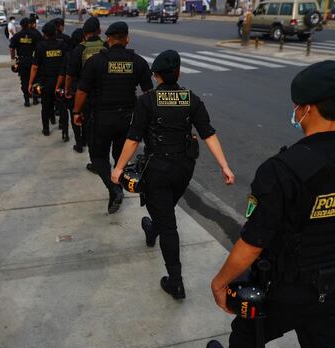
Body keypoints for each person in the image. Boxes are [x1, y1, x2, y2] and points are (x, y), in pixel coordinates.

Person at [206, 61, 335, 348]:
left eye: (297, 104)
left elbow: (252, 244)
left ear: (308, 109)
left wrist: (220, 282)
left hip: (281, 291)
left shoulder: (281, 170)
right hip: (332, 287)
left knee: (246, 339)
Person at [111, 50, 235, 298]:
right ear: (178, 72)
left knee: (168, 224)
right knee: (164, 211)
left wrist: (118, 168)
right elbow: (208, 133)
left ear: (155, 75)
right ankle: (152, 228)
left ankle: (175, 281)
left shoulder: (147, 101)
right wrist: (224, 165)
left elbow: (134, 139)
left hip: (157, 169)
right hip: (183, 169)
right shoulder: (192, 99)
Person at [73, 21, 153, 214]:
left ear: (107, 39)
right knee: (120, 157)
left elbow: (82, 91)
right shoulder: (138, 62)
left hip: (101, 118)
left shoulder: (96, 61)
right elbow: (148, 93)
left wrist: (76, 112)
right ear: (127, 39)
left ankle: (113, 188)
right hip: (127, 118)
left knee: (98, 156)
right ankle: (116, 186)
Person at [65, 16, 105, 159]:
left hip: (85, 95)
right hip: (104, 95)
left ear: (84, 32)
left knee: (87, 124)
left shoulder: (79, 49)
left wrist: (68, 90)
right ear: (99, 30)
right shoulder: (106, 46)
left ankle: (93, 158)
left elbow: (69, 75)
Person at [29, 21, 69, 139]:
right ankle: (64, 132)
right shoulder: (63, 45)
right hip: (60, 82)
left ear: (44, 33)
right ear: (56, 31)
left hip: (46, 82)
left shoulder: (40, 47)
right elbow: (68, 65)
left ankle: (46, 128)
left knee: (46, 106)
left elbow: (35, 67)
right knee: (62, 107)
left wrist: (30, 83)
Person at [10, 17, 41, 107]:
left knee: (24, 81)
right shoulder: (34, 35)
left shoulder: (17, 36)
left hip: (22, 61)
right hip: (32, 60)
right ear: (28, 25)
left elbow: (12, 48)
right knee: (34, 80)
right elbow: (39, 48)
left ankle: (27, 100)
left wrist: (13, 59)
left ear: (21, 26)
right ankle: (35, 98)